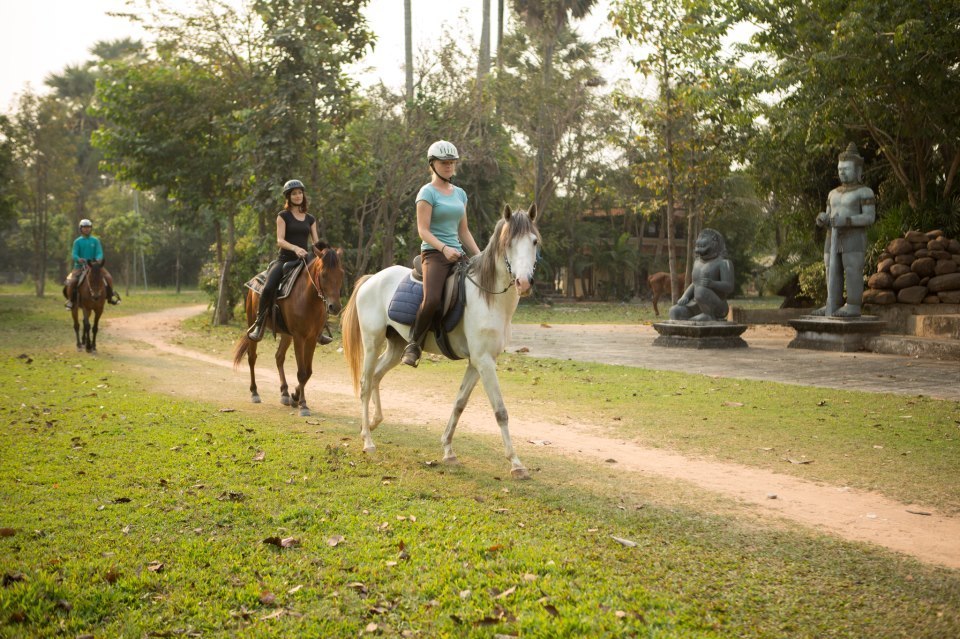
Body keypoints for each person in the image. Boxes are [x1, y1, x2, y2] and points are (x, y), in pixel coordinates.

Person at [402, 140, 481, 367]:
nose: (449, 167)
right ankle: (413, 344)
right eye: (444, 163)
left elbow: (463, 231)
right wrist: (444, 249)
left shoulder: (461, 194)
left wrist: (479, 255)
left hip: (457, 253)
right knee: (433, 298)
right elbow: (423, 230)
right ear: (433, 164)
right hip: (434, 254)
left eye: (452, 163)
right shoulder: (427, 192)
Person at [247, 179, 332, 344]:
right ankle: (259, 324)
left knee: (321, 286)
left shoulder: (310, 218)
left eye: (300, 192)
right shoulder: (283, 216)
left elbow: (315, 242)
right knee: (268, 287)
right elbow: (280, 240)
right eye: (294, 193)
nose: (298, 196)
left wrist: (326, 252)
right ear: (289, 196)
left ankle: (321, 328)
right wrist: (295, 248)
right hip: (285, 259)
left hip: (306, 260)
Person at [812, 143, 876, 318]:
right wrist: (822, 219)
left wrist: (847, 221)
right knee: (830, 269)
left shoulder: (865, 192)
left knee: (852, 269)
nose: (842, 172)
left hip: (853, 237)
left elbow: (869, 217)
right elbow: (828, 214)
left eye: (846, 169)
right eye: (840, 169)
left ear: (857, 170)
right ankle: (832, 303)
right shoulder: (833, 193)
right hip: (831, 236)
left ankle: (854, 305)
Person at [668, 228, 734, 321]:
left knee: (700, 291)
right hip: (696, 305)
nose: (699, 251)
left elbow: (729, 287)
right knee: (674, 312)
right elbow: (695, 283)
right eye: (698, 247)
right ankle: (700, 315)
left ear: (715, 243)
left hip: (717, 306)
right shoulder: (697, 262)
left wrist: (713, 284)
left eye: (704, 247)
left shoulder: (723, 263)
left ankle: (709, 316)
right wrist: (685, 296)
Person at [63, 219, 120, 309]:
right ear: (80, 229)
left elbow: (99, 252)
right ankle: (70, 300)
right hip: (79, 266)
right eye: (84, 227)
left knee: (108, 277)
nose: (86, 229)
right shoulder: (77, 242)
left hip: (94, 266)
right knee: (72, 281)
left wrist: (98, 259)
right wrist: (78, 259)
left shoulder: (95, 241)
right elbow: (74, 254)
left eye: (88, 227)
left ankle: (110, 296)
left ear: (91, 229)